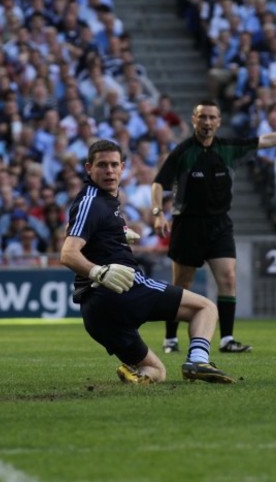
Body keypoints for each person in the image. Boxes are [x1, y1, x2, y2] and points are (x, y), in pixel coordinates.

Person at [150, 100, 276, 354]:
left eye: (212, 117)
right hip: (187, 224)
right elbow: (158, 184)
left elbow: (265, 141)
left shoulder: (228, 148)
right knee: (181, 286)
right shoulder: (183, 152)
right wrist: (158, 213)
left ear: (219, 121)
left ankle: (227, 339)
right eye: (203, 117)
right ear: (194, 120)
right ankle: (170, 338)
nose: (208, 122)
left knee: (228, 278)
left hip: (220, 224)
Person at [60, 139, 236, 385]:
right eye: (102, 165)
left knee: (155, 371)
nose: (109, 171)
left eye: (113, 165)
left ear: (123, 167)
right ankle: (197, 360)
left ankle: (136, 376)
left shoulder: (102, 200)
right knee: (205, 308)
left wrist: (118, 233)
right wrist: (99, 272)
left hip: (95, 315)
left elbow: (78, 228)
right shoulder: (92, 201)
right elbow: (68, 253)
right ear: (89, 168)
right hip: (120, 291)